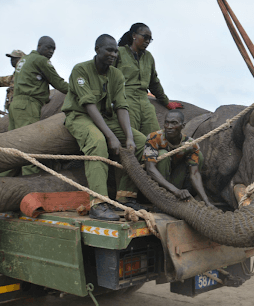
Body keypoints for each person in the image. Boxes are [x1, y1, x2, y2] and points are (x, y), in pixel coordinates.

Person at [61, 34, 147, 221]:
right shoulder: (80, 70)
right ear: (97, 49)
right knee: (97, 142)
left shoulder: (116, 75)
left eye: (116, 51)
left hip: (106, 118)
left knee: (141, 142)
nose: (113, 54)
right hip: (81, 116)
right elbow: (89, 105)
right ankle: (98, 203)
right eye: (109, 50)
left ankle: (125, 197)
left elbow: (122, 106)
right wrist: (110, 136)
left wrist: (129, 137)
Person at [11, 36, 69, 175]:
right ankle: (31, 181)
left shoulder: (25, 59)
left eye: (53, 49)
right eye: (48, 47)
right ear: (39, 46)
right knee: (29, 144)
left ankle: (4, 175)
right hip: (28, 105)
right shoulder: (41, 60)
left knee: (11, 146)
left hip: (16, 105)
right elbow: (58, 83)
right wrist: (81, 91)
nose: (51, 51)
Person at [116, 23, 183, 137]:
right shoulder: (119, 53)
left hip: (144, 100)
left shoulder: (149, 57)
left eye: (150, 39)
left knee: (156, 137)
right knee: (130, 137)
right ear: (134, 35)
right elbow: (106, 76)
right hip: (125, 98)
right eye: (145, 37)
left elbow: (154, 83)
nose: (147, 41)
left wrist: (166, 102)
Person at [144, 110, 214, 208]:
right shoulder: (154, 137)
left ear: (183, 125)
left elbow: (194, 174)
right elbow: (150, 168)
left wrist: (207, 202)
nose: (169, 126)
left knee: (200, 157)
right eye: (166, 122)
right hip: (157, 186)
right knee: (163, 155)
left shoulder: (190, 143)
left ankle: (186, 195)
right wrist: (175, 191)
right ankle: (161, 200)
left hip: (176, 182)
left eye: (174, 123)